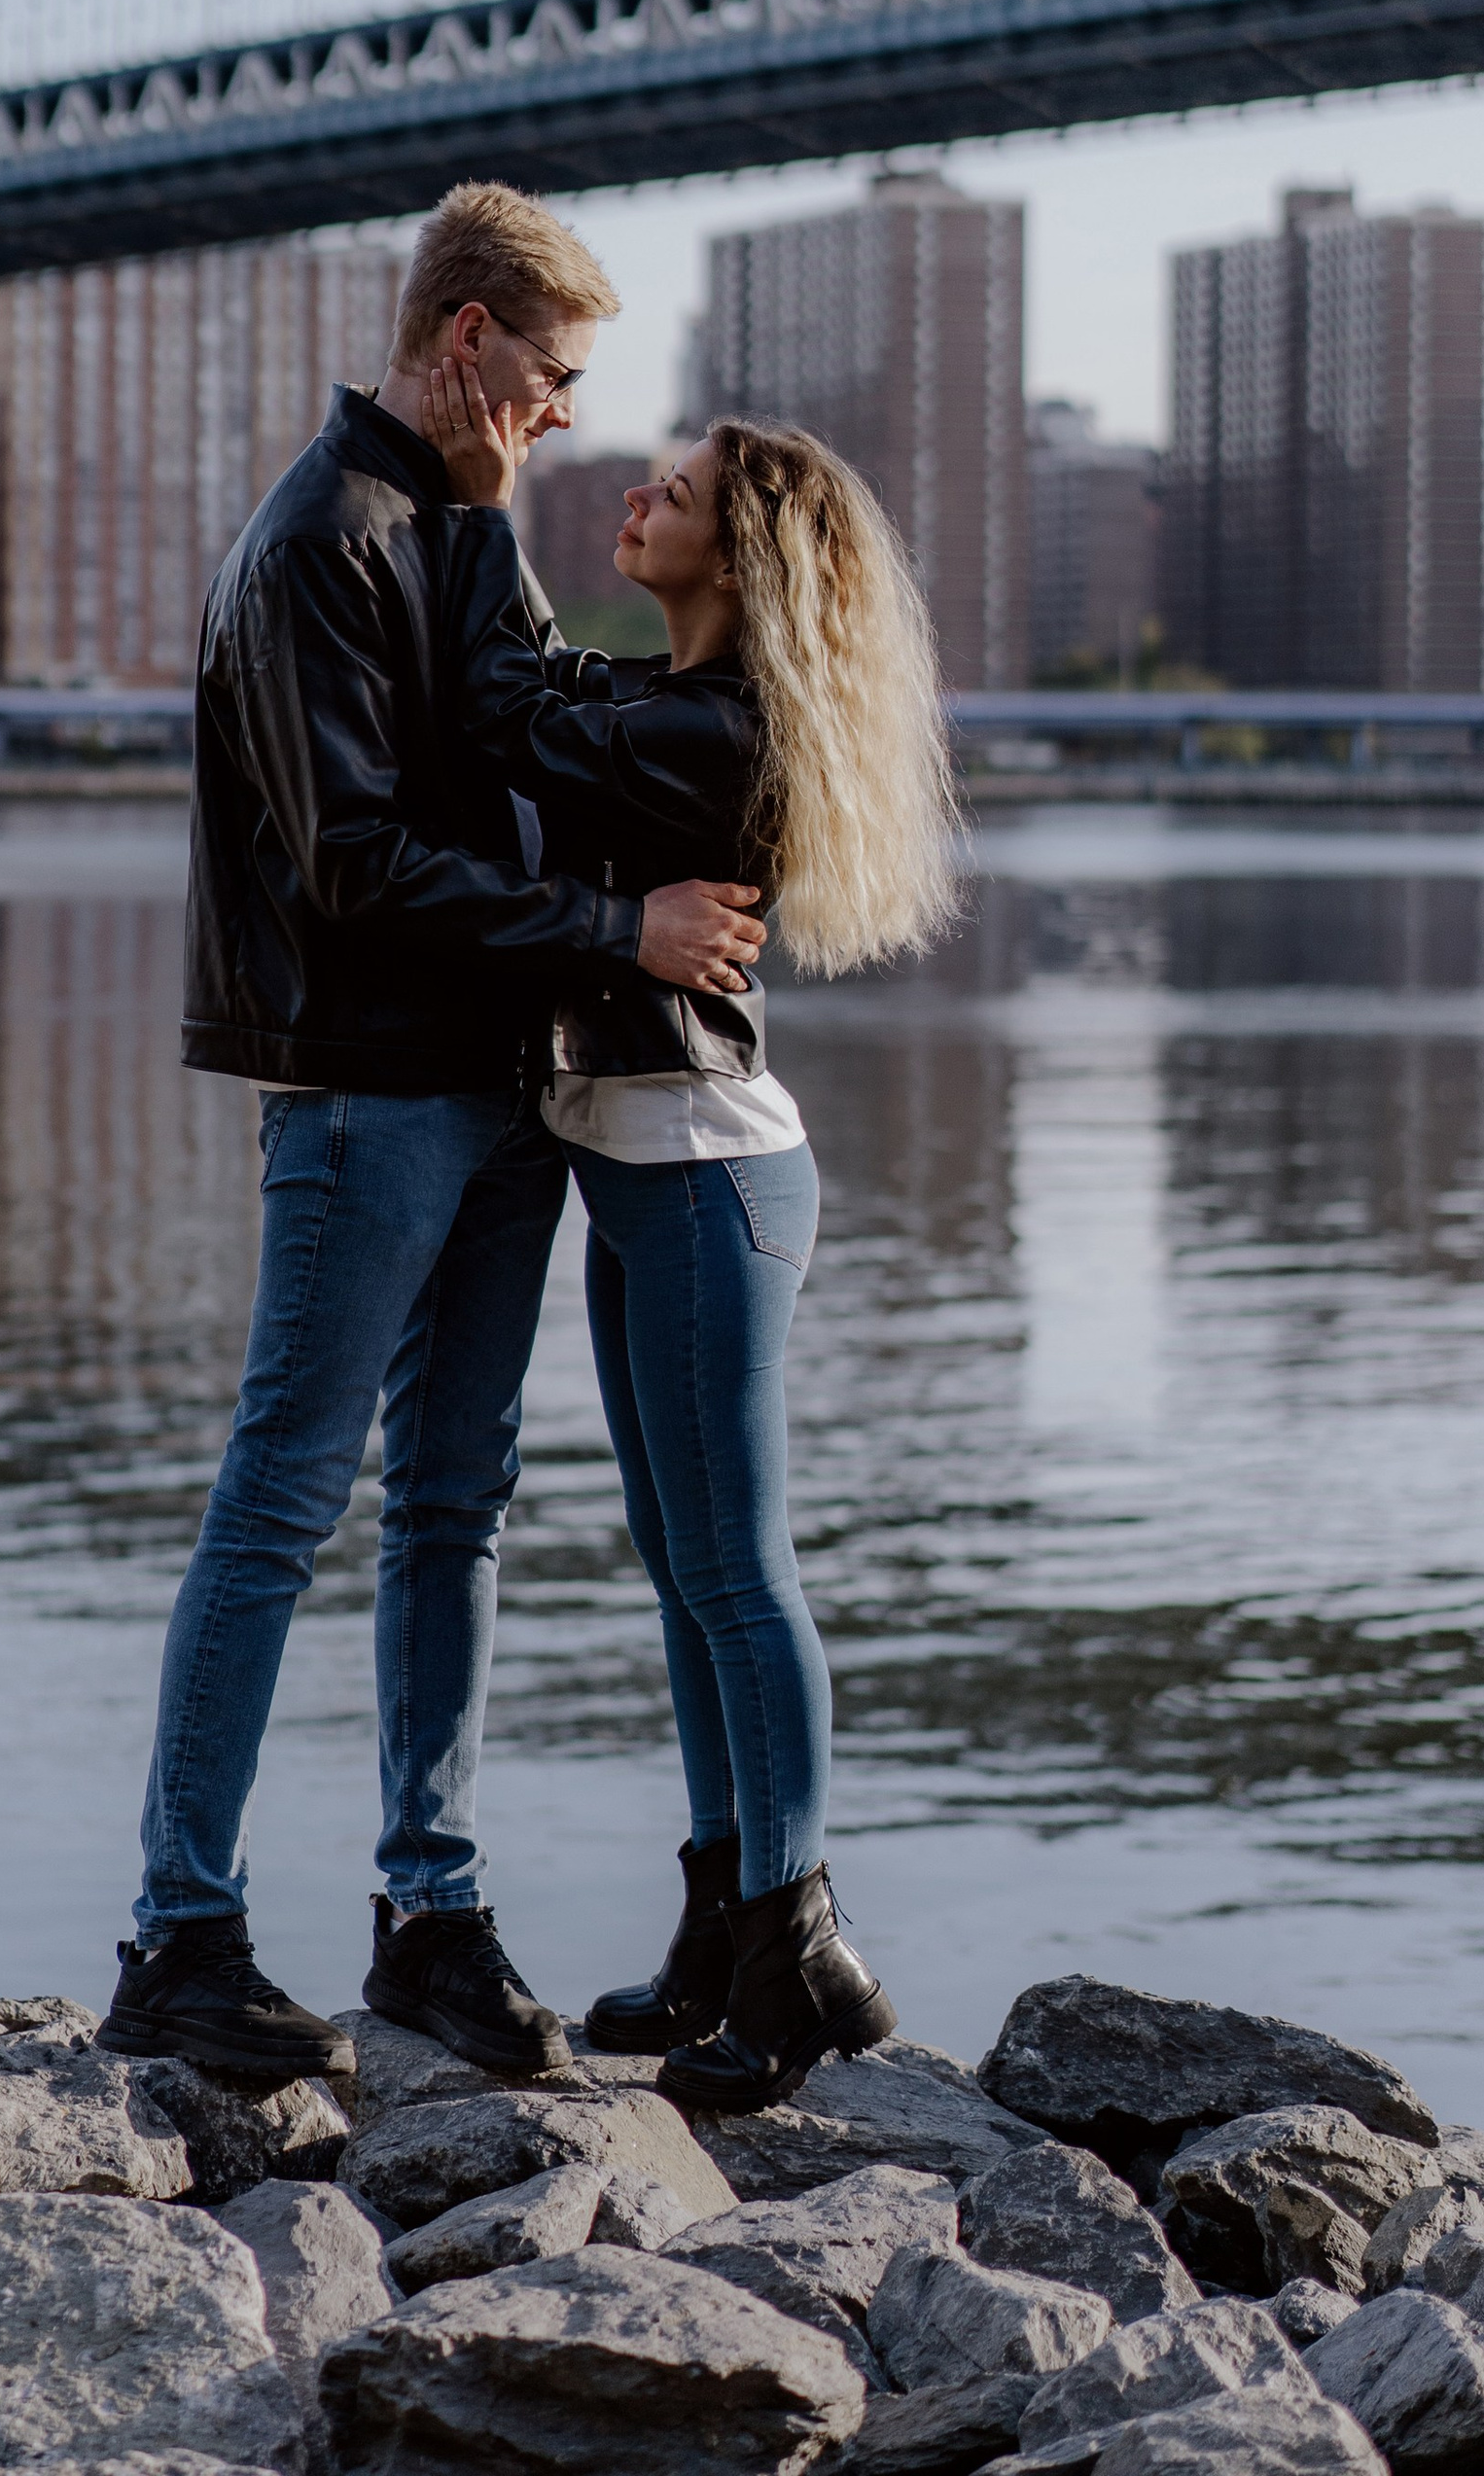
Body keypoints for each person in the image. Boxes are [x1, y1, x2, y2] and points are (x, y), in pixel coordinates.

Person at [97, 182, 768, 2088]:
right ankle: (179, 1935)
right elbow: (361, 864)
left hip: (500, 1082)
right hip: (367, 1088)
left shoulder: (466, 531)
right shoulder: (318, 542)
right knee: (281, 1495)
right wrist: (617, 930)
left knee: (453, 1500)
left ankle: (430, 1920)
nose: (566, 411)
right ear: (463, 339)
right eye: (550, 373)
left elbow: (541, 738)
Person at [416, 359, 958, 2111]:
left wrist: (480, 489)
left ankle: (797, 1945)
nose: (636, 494)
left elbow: (505, 704)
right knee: (683, 1559)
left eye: (674, 487)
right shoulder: (675, 699)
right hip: (642, 1165)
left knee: (738, 1566)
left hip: (709, 1177)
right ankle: (728, 1922)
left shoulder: (714, 733)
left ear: (743, 551)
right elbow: (554, 693)